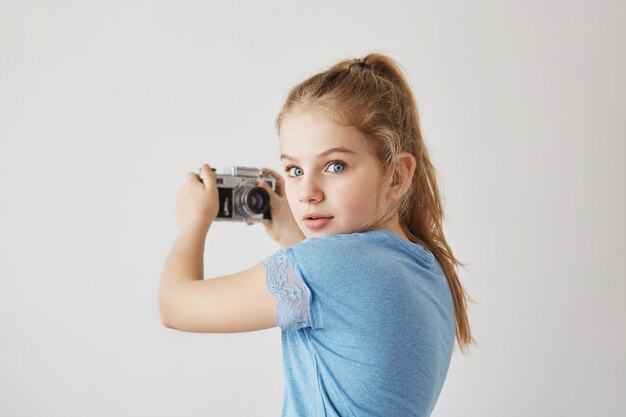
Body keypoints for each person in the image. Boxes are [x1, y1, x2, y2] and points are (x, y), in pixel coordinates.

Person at [159, 53, 473, 416]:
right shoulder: (426, 267)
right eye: (293, 169)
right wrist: (289, 234)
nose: (307, 191)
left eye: (335, 166)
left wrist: (193, 221)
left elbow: (175, 306)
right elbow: (341, 310)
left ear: (397, 175)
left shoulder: (330, 269)